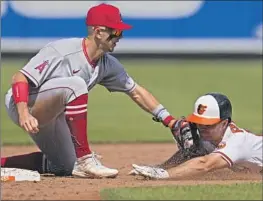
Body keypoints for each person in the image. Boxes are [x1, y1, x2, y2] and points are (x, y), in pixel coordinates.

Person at [1, 3, 179, 179]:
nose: (119, 37)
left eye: (121, 32)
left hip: (51, 114)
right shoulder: (63, 51)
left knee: (64, 166)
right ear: (98, 32)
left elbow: (136, 91)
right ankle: (85, 158)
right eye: (115, 32)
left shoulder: (107, 64)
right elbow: (20, 77)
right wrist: (24, 113)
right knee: (76, 85)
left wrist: (170, 121)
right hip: (23, 103)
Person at [130, 92, 262, 179]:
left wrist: (163, 174)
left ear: (224, 123)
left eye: (208, 125)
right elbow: (189, 154)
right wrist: (158, 168)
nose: (202, 129)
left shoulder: (237, 141)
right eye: (199, 123)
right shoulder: (211, 136)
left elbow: (205, 164)